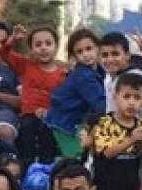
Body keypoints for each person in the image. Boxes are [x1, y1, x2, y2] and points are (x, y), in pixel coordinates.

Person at [0, 24, 67, 165]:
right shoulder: (26, 65)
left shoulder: (63, 74)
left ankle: (46, 168)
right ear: (31, 49)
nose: (43, 48)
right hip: (29, 115)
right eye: (38, 44)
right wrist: (13, 39)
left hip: (51, 117)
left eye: (48, 43)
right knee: (26, 129)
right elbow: (4, 53)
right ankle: (26, 166)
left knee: (49, 133)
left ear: (56, 46)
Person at [89, 72, 142, 190]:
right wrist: (131, 140)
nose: (131, 102)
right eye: (126, 96)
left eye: (137, 97)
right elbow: (106, 153)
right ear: (115, 97)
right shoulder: (103, 123)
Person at [44, 28, 107, 158]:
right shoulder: (84, 76)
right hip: (66, 125)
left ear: (98, 48)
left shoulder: (98, 71)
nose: (85, 54)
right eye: (80, 51)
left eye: (89, 48)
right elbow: (101, 105)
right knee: (75, 161)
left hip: (71, 122)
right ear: (74, 56)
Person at [100, 31, 142, 114]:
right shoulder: (108, 78)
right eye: (105, 55)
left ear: (127, 55)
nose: (110, 59)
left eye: (115, 54)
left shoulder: (132, 75)